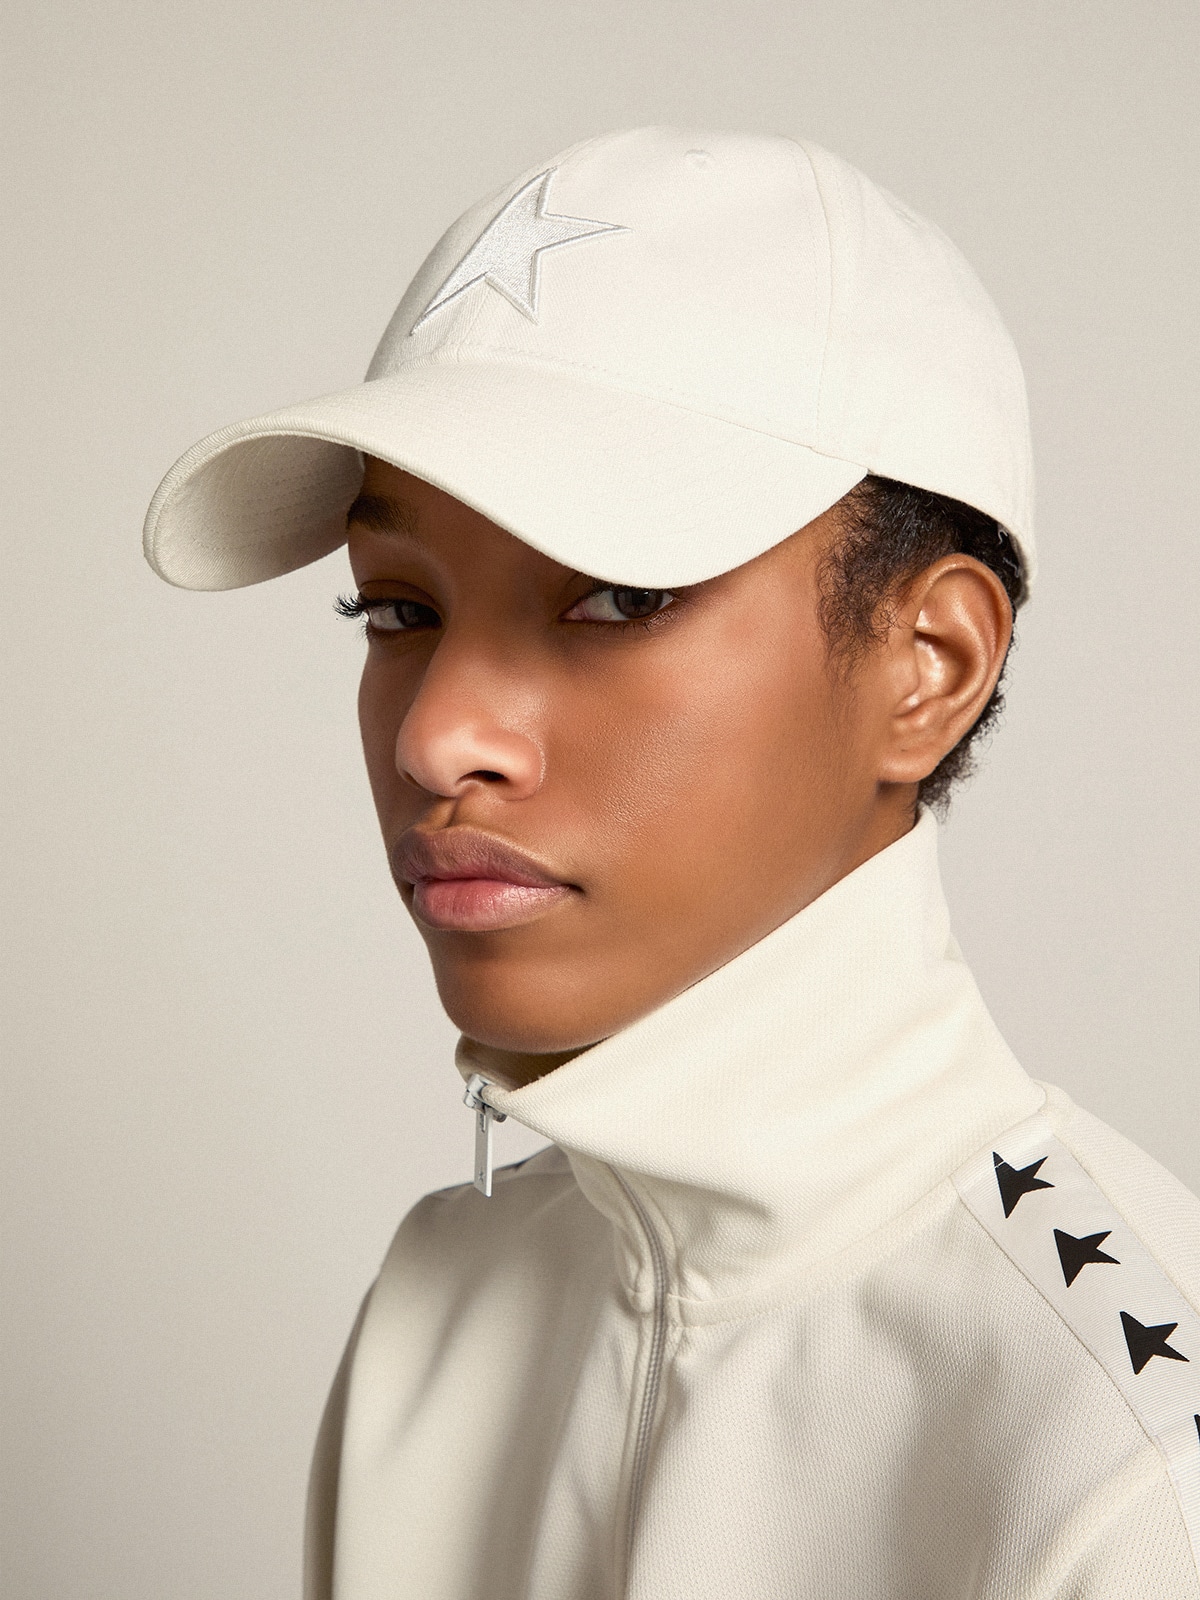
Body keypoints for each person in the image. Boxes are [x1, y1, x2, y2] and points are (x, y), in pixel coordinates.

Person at [143, 128, 1200, 1599]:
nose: (437, 735)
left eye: (616, 598)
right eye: (394, 610)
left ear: (929, 664)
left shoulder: (1129, 1466)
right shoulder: (446, 1303)